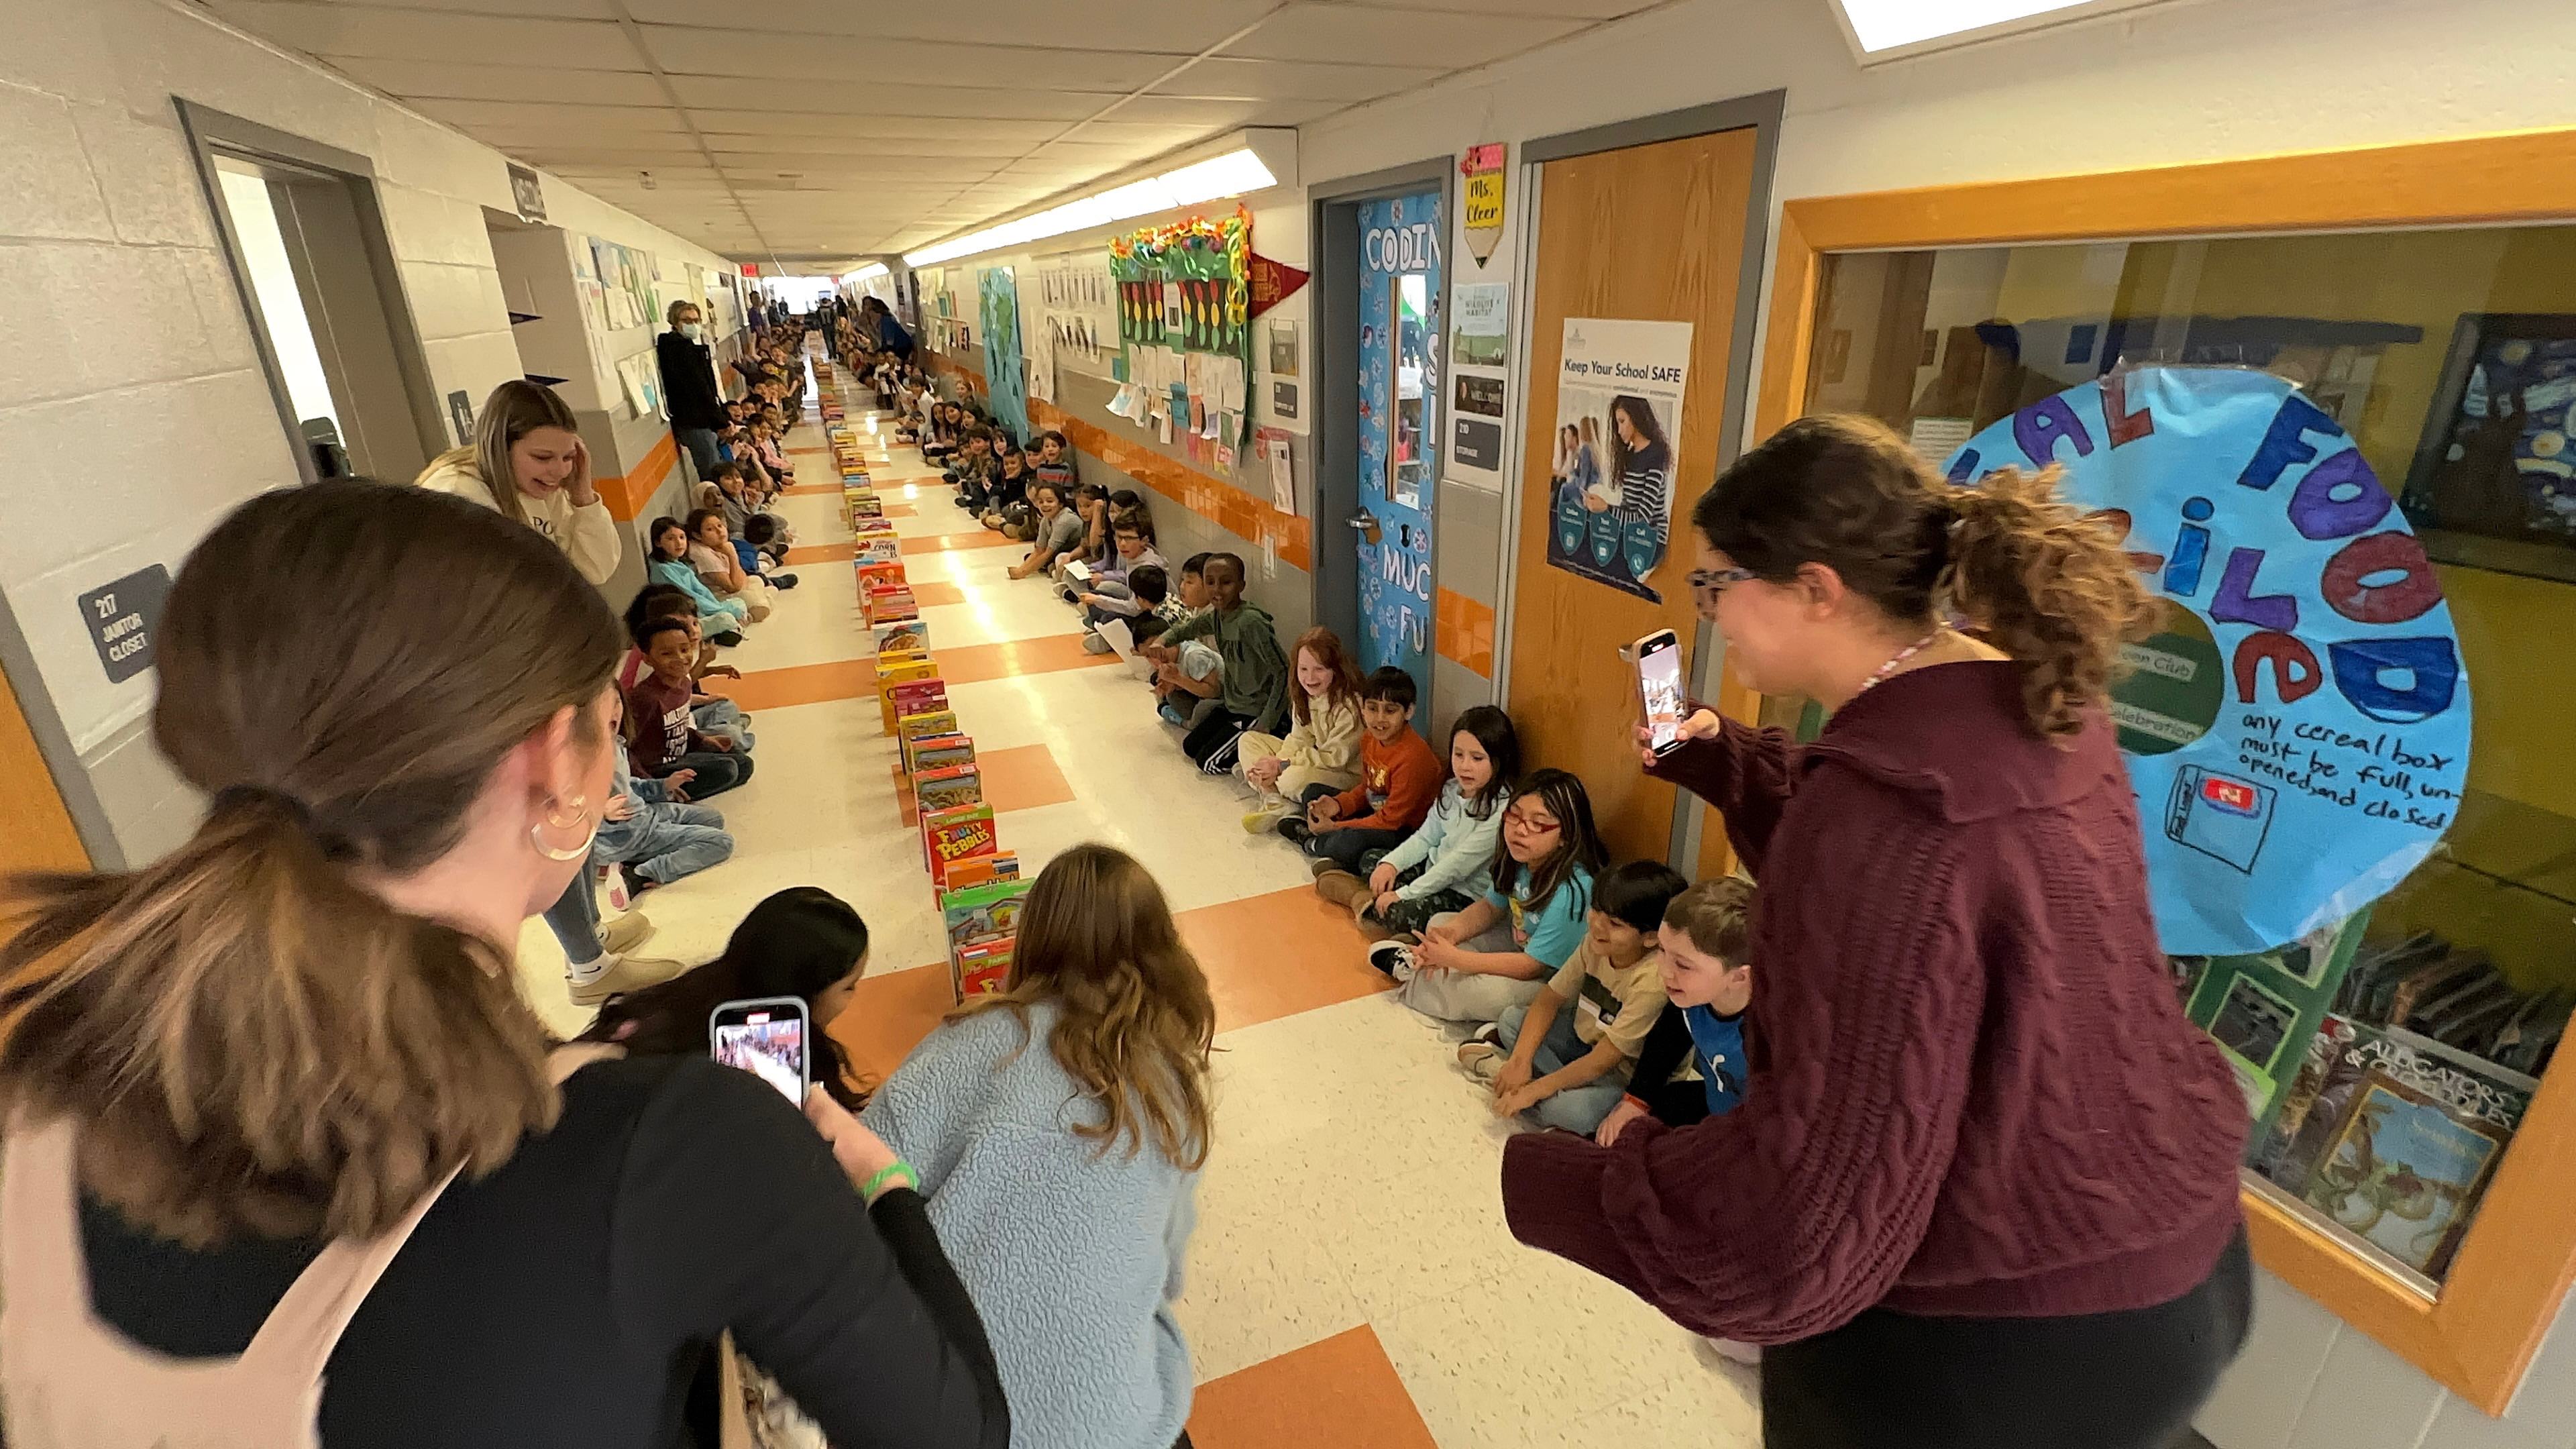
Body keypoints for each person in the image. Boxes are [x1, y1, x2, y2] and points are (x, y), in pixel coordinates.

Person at [0, 480, 1007, 1448]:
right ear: (549, 766)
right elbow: (958, 1431)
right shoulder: (680, 1146)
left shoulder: (31, 1098)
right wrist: (886, 1188)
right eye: (608, 730)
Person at [1501, 414, 2251, 1449]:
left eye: (1719, 586)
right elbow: (1922, 905)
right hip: (2174, 1258)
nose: (1709, 617)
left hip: (2004, 1339)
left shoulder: (1882, 811)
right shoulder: (2038, 703)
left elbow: (1815, 1212)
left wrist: (1575, 1183)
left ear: (1817, 588)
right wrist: (1731, 763)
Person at [863, 845, 1210, 1449]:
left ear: (1033, 935)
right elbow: (1170, 1272)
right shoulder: (1170, 1088)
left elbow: (864, 1172)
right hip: (1113, 1428)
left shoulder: (971, 1041)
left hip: (945, 1410)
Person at [586, 887, 874, 1110]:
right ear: (803, 992)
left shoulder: (691, 994)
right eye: (849, 987)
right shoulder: (773, 1060)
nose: (856, 996)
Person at [1456, 861, 1688, 1135]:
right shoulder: (1594, 943)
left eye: (1614, 923)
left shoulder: (1652, 981)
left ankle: (1513, 1080)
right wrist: (1520, 1060)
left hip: (1622, 1074)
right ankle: (1523, 1077)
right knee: (1511, 1020)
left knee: (1570, 1112)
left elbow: (1604, 1060)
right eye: (1596, 910)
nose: (1598, 926)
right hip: (1583, 1041)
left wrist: (1534, 1090)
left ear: (1651, 938)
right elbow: (1550, 998)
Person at [1371, 768, 1605, 1026]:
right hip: (1519, 943)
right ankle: (1421, 965)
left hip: (1552, 981)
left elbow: (1532, 966)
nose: (1520, 830)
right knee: (1440, 924)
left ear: (1566, 836)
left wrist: (1457, 959)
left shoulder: (1573, 890)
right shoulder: (1519, 857)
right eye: (1514, 815)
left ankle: (1412, 972)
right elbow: (1491, 907)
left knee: (1483, 992)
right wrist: (1450, 936)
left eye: (1538, 823)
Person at [1318, 704, 1519, 940]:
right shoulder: (1453, 789)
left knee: (1402, 911)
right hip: (1431, 872)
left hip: (1463, 896)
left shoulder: (1502, 812)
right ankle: (1371, 901)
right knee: (1373, 860)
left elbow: (1455, 867)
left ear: (1499, 761)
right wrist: (1390, 865)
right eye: (1458, 754)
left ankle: (1360, 898)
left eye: (1477, 758)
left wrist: (1405, 895)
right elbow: (1425, 838)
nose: (1465, 766)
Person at [1595, 875, 1757, 1145]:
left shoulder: (1767, 1035)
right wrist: (1636, 1101)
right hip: (1715, 1105)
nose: (1665, 971)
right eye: (1661, 950)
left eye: (1682, 965)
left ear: (1739, 977)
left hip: (1752, 1141)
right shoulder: (1693, 996)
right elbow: (1668, 1039)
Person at [415, 379, 619, 586]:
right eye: (542, 457)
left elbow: (595, 570)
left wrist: (584, 498)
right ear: (501, 449)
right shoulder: (459, 495)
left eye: (568, 457)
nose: (560, 471)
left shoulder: (541, 488)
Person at [1276, 667, 1439, 873]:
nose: (1379, 719)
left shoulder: (1413, 757)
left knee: (1349, 841)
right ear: (1362, 708)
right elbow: (1368, 789)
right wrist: (1338, 805)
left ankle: (1314, 843)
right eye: (1372, 708)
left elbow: (1391, 821)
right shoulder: (1370, 738)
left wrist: (1336, 827)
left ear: (1408, 712)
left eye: (1390, 711)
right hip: (1378, 811)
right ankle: (1327, 838)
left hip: (1404, 830)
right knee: (1313, 792)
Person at [1146, 554, 1288, 773]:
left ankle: (1267, 750)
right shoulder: (1217, 616)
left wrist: (1268, 720)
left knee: (1208, 763)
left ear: (1241, 585)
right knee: (1190, 747)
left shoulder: (1251, 622)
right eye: (1210, 582)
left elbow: (1283, 671)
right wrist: (1161, 641)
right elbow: (1187, 628)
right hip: (1232, 705)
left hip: (1255, 711)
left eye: (1226, 582)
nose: (1217, 590)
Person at [1234, 627, 1362, 829]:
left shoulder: (1349, 706)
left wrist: (1282, 765)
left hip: (1344, 774)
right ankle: (1275, 798)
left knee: (1291, 779)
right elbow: (1297, 739)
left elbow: (1334, 759)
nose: (1310, 677)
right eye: (1303, 669)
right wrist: (1277, 763)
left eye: (1319, 669)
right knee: (1248, 740)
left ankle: (1271, 790)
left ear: (1336, 668)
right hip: (1313, 759)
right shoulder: (1303, 696)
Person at [626, 616, 753, 799]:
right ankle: (667, 797)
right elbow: (624, 748)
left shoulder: (684, 684)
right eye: (666, 654)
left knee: (744, 764)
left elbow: (679, 726)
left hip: (681, 752)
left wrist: (704, 740)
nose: (679, 658)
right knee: (729, 769)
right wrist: (653, 785)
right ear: (647, 659)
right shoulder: (645, 698)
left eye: (684, 650)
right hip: (657, 768)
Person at [647, 516, 753, 637]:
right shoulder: (663, 570)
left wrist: (720, 607)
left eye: (682, 537)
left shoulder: (678, 564)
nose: (679, 543)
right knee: (726, 618)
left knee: (738, 604)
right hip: (688, 619)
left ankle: (732, 628)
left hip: (705, 609)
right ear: (658, 543)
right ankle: (727, 630)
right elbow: (691, 599)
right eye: (671, 539)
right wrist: (720, 611)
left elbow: (703, 591)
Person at [659, 299, 729, 480]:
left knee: (716, 466)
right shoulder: (678, 350)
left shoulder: (689, 348)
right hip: (695, 422)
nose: (693, 325)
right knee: (712, 472)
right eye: (687, 321)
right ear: (675, 323)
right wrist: (720, 421)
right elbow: (699, 389)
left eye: (696, 320)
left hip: (703, 420)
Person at [685, 508, 774, 623]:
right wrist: (732, 554)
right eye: (710, 529)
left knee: (756, 580)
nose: (719, 531)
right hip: (718, 598)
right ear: (697, 536)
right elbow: (733, 587)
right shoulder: (702, 554)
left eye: (720, 525)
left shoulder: (717, 545)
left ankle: (761, 599)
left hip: (734, 587)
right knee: (756, 598)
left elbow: (742, 576)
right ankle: (749, 615)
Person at [1006, 480, 1086, 581]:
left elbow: (1048, 552)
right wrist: (1021, 568)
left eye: (1050, 501)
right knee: (1034, 559)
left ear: (1060, 504)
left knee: (1056, 561)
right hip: (1060, 551)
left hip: (1075, 553)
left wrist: (1022, 573)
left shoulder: (1065, 520)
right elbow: (1039, 549)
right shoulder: (1046, 519)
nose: (1044, 505)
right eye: (1040, 502)